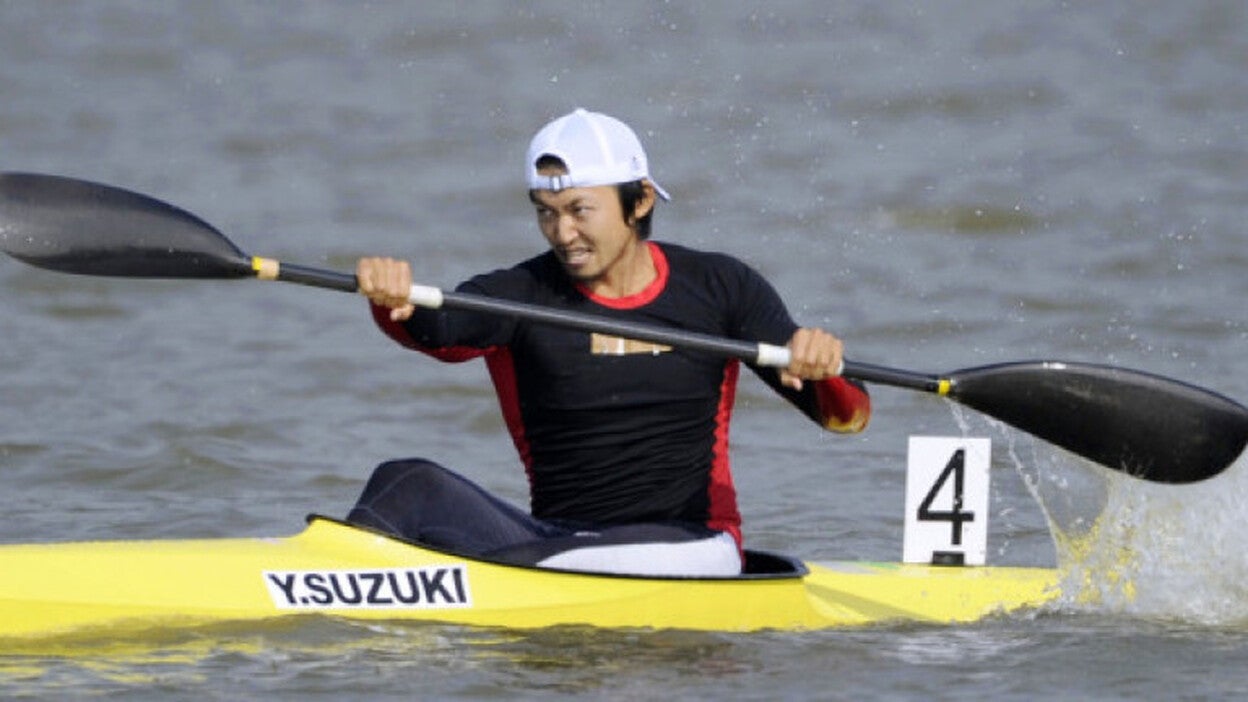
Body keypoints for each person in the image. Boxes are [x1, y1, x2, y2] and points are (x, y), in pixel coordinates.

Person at [350, 108, 870, 576]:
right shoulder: (522, 293)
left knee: (528, 566)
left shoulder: (719, 287)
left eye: (580, 210)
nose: (562, 232)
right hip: (559, 539)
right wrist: (392, 297)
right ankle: (325, 581)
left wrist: (826, 369)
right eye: (545, 212)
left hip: (693, 543)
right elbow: (436, 332)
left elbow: (846, 416)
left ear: (639, 200)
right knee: (406, 483)